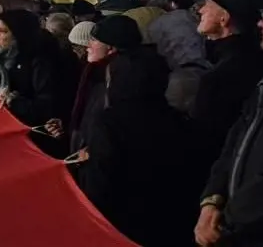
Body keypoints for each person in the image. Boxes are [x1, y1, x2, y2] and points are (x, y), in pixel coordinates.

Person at [74, 15, 199, 247]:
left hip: (122, 217)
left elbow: (102, 180)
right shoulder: (161, 96)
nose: (88, 44)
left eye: (94, 40)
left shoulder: (114, 105)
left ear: (112, 49)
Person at [196, 0, 263, 246]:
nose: (261, 22)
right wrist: (213, 198)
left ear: (225, 18)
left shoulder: (227, 74)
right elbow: (235, 143)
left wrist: (228, 220)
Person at [0, 9, 73, 136]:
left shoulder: (43, 60)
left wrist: (13, 101)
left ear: (19, 34)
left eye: (3, 31)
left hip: (36, 135)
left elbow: (47, 106)